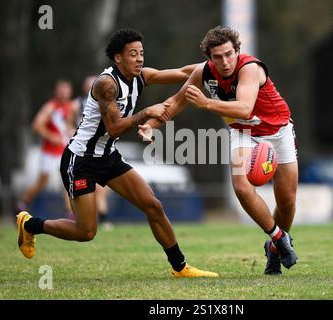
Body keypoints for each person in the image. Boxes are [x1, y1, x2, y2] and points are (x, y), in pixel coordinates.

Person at [16, 28, 218, 278]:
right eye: (133, 54)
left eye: (141, 53)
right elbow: (113, 127)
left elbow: (185, 72)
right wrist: (146, 113)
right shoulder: (106, 85)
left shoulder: (142, 76)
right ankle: (30, 224)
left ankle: (180, 267)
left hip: (108, 157)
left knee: (152, 205)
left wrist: (215, 61)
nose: (140, 59)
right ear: (118, 58)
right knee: (86, 232)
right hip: (81, 161)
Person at [139, 26, 298, 275]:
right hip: (242, 132)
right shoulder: (204, 72)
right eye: (217, 57)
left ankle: (274, 249)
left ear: (237, 51)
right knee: (241, 186)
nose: (224, 62)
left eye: (228, 54)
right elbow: (176, 102)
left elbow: (245, 108)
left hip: (278, 132)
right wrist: (150, 125)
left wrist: (205, 103)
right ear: (209, 58)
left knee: (287, 202)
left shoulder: (250, 68)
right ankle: (278, 237)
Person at [17, 80, 75, 216]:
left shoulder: (70, 106)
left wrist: (71, 132)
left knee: (67, 180)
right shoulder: (51, 107)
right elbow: (36, 125)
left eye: (66, 91)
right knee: (42, 183)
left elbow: (67, 126)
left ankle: (70, 213)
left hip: (63, 150)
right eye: (61, 91)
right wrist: (51, 136)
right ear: (57, 92)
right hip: (49, 152)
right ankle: (22, 203)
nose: (64, 94)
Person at [72, 75, 113, 230]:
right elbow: (70, 123)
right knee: (84, 189)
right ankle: (88, 217)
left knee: (102, 187)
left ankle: (101, 216)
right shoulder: (77, 104)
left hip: (100, 149)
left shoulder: (108, 102)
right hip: (82, 150)